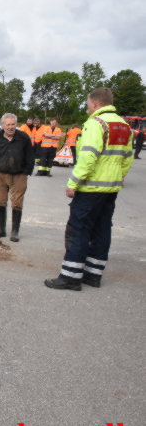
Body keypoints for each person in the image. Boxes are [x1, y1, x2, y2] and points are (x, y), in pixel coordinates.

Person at [44, 88, 134, 290]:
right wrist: (118, 177)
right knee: (102, 229)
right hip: (110, 189)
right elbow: (127, 159)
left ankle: (71, 277)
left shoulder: (96, 124)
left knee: (79, 229)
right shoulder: (124, 126)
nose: (86, 108)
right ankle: (93, 275)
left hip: (91, 187)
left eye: (87, 104)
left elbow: (88, 157)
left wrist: (73, 183)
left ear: (95, 103)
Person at [0, 113, 35, 242]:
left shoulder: (23, 137)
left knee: (17, 203)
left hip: (19, 175)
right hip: (0, 175)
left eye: (13, 124)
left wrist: (26, 172)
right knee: (0, 202)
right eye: (8, 124)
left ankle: (14, 232)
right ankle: (1, 230)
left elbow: (30, 156)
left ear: (16, 124)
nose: (10, 127)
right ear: (2, 125)